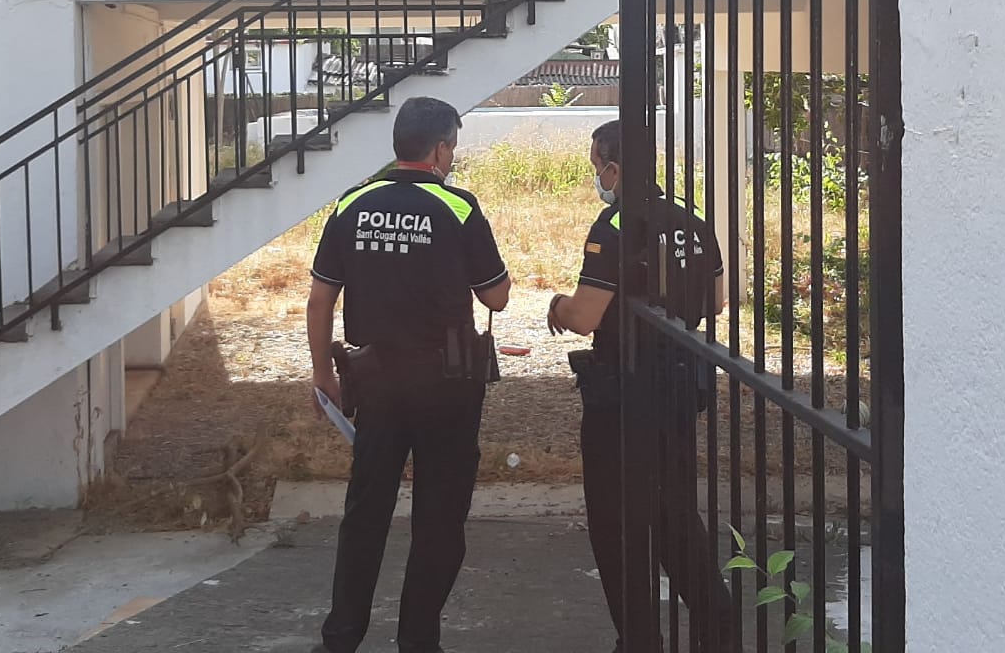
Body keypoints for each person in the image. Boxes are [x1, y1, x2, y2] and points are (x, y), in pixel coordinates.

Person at [307, 96, 511, 653]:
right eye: (453, 147)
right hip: (447, 386)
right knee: (439, 518)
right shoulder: (460, 208)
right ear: (441, 149)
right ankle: (418, 641)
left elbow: (321, 298)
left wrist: (323, 372)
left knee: (366, 512)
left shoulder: (353, 203)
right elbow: (497, 293)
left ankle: (341, 637)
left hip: (376, 382)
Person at [547, 119, 732, 653]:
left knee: (616, 519)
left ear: (614, 166)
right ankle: (716, 624)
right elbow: (715, 302)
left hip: (623, 390)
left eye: (597, 167)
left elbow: (586, 316)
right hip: (679, 382)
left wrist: (557, 306)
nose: (597, 177)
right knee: (674, 507)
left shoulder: (615, 224)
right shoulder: (692, 220)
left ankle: (640, 638)